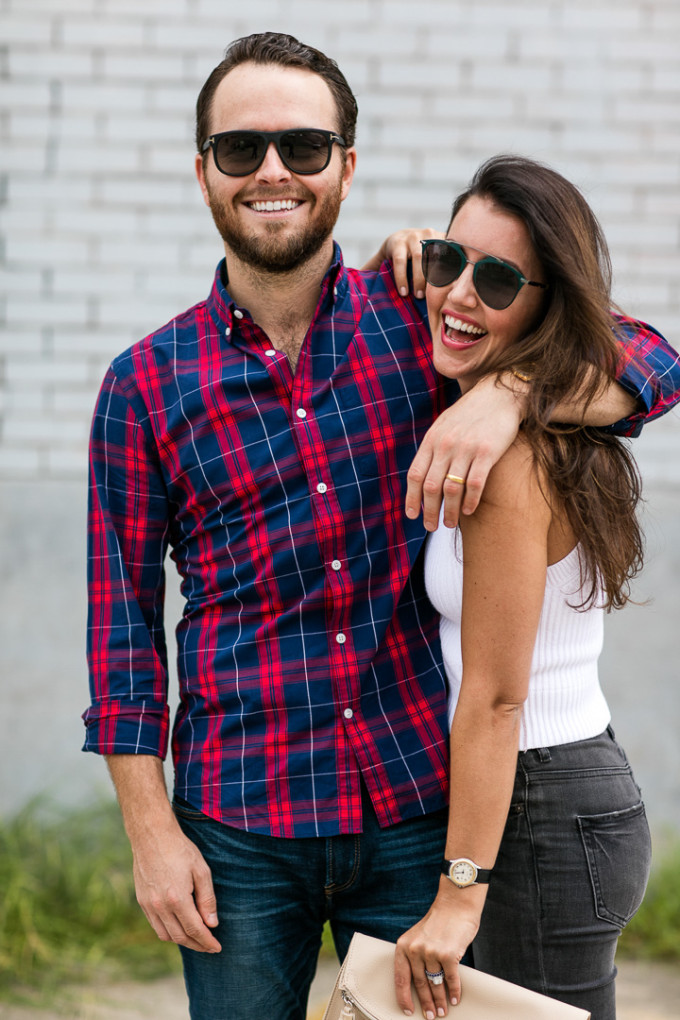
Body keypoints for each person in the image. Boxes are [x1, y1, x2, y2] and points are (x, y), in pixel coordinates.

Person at [82, 33, 680, 1020]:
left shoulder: (422, 327)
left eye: (303, 148)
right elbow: (122, 638)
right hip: (239, 823)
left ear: (344, 169)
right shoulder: (142, 387)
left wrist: (510, 396)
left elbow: (649, 358)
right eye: (240, 150)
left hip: (410, 806)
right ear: (202, 175)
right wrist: (152, 835)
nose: (272, 172)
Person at [394, 154, 660, 1020]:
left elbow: (499, 698)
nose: (460, 294)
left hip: (539, 808)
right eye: (448, 261)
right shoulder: (521, 418)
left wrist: (460, 892)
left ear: (547, 304)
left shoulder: (509, 460)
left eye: (499, 279)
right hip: (553, 796)